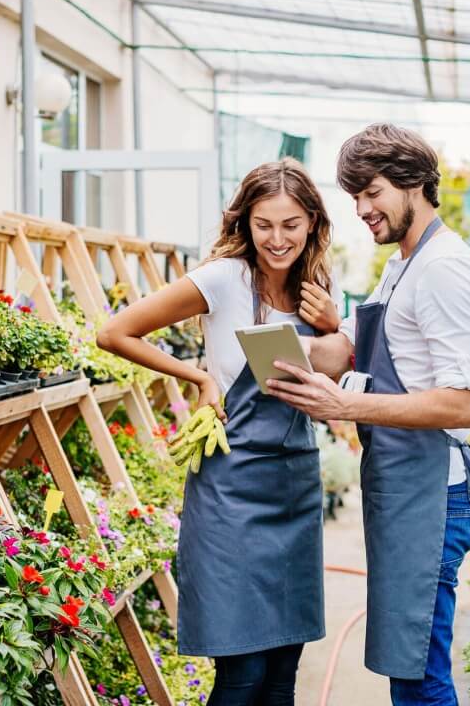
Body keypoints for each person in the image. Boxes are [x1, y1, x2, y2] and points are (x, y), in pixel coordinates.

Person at [96, 158, 342, 705]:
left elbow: (342, 370)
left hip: (295, 487)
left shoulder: (318, 287)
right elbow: (115, 332)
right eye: (264, 225)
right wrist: (198, 374)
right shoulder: (222, 278)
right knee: (244, 674)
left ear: (313, 224)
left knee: (282, 673)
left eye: (291, 225)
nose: (277, 239)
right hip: (233, 491)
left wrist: (333, 325)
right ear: (245, 223)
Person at [266, 124, 470, 706]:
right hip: (401, 486)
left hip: (430, 493)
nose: (362, 210)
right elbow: (352, 348)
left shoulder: (444, 266)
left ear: (415, 181)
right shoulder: (404, 262)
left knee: (419, 675)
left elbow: (462, 404)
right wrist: (276, 341)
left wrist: (345, 404)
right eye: (354, 197)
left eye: (372, 193)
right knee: (403, 664)